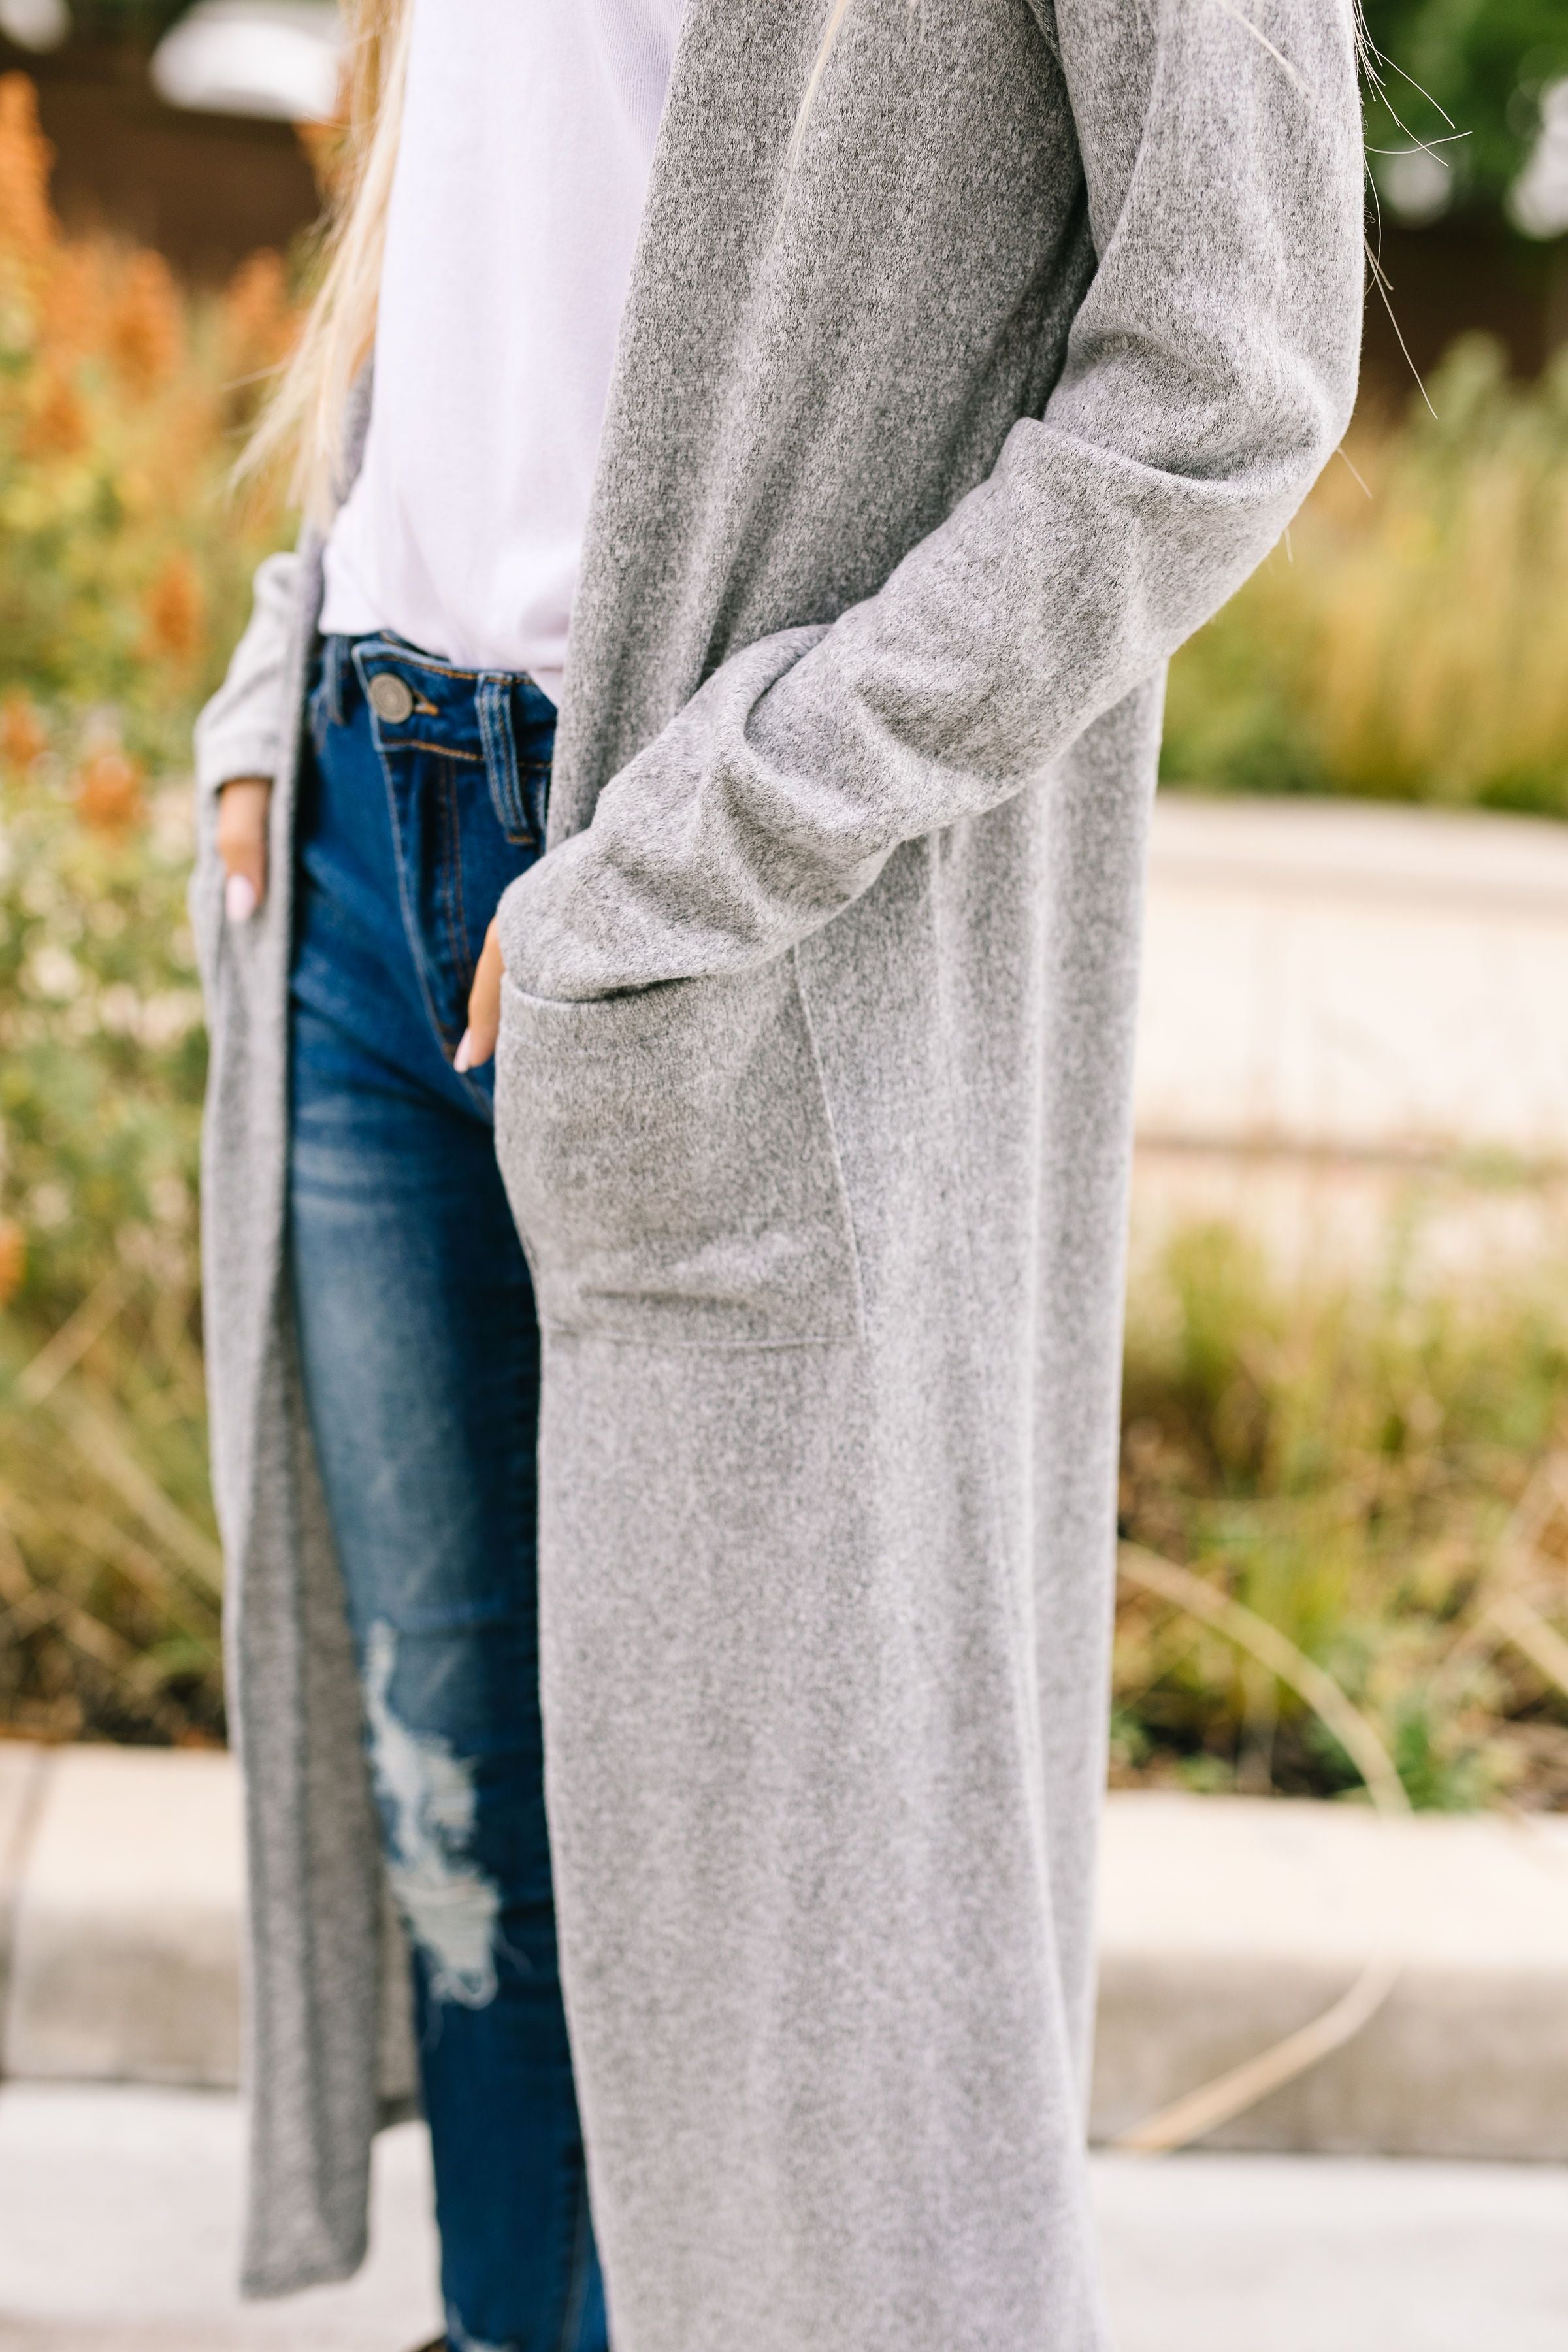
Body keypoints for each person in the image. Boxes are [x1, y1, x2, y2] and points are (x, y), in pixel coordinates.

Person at [193, 0, 1364, 2346]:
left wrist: (716, 830)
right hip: (357, 826)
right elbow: (499, 200)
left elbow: (1226, 366)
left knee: (774, 1949)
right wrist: (274, 660)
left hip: (723, 926)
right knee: (470, 1837)